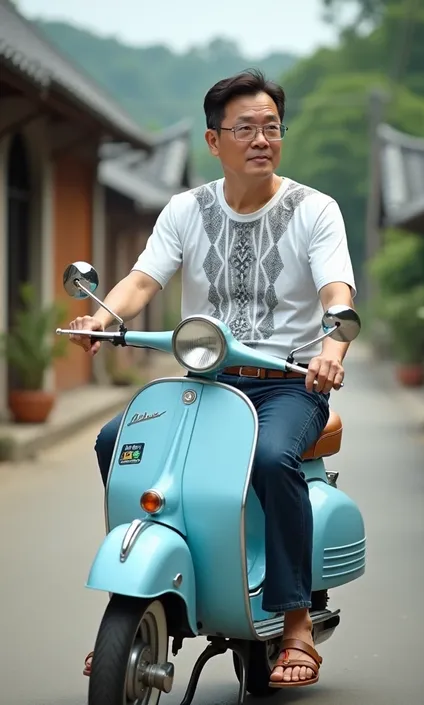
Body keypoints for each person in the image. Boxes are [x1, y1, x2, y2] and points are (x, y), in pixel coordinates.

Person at [69, 68, 356, 689]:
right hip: (204, 382)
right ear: (213, 140)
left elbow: (337, 287)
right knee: (114, 443)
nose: (261, 139)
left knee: (273, 457)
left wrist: (333, 342)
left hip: (288, 383)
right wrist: (104, 315)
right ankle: (141, 595)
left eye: (271, 128)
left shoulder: (315, 210)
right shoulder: (186, 209)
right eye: (245, 128)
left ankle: (297, 620)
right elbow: (144, 279)